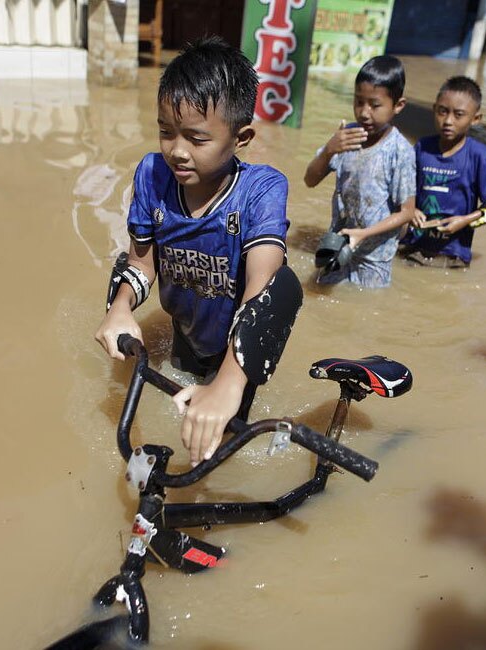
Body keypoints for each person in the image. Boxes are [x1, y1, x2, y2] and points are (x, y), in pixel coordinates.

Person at [94, 37, 292, 467]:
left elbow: (266, 288)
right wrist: (121, 308)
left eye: (196, 138)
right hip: (185, 330)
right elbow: (142, 262)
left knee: (215, 456)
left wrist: (228, 382)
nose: (176, 151)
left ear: (241, 138)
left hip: (237, 347)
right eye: (166, 132)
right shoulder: (152, 174)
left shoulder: (263, 190)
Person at [303, 55, 416, 288]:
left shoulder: (399, 151)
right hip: (338, 245)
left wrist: (363, 234)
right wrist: (328, 151)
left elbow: (406, 213)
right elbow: (309, 180)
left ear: (398, 106)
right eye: (358, 102)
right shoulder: (346, 137)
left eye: (375, 105)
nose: (364, 113)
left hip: (375, 258)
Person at [400, 76, 486, 269]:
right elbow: (402, 187)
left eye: (458, 115)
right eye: (443, 112)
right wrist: (411, 210)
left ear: (475, 119)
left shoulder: (480, 156)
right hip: (411, 249)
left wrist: (466, 220)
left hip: (452, 257)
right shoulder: (422, 147)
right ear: (435, 109)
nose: (448, 121)